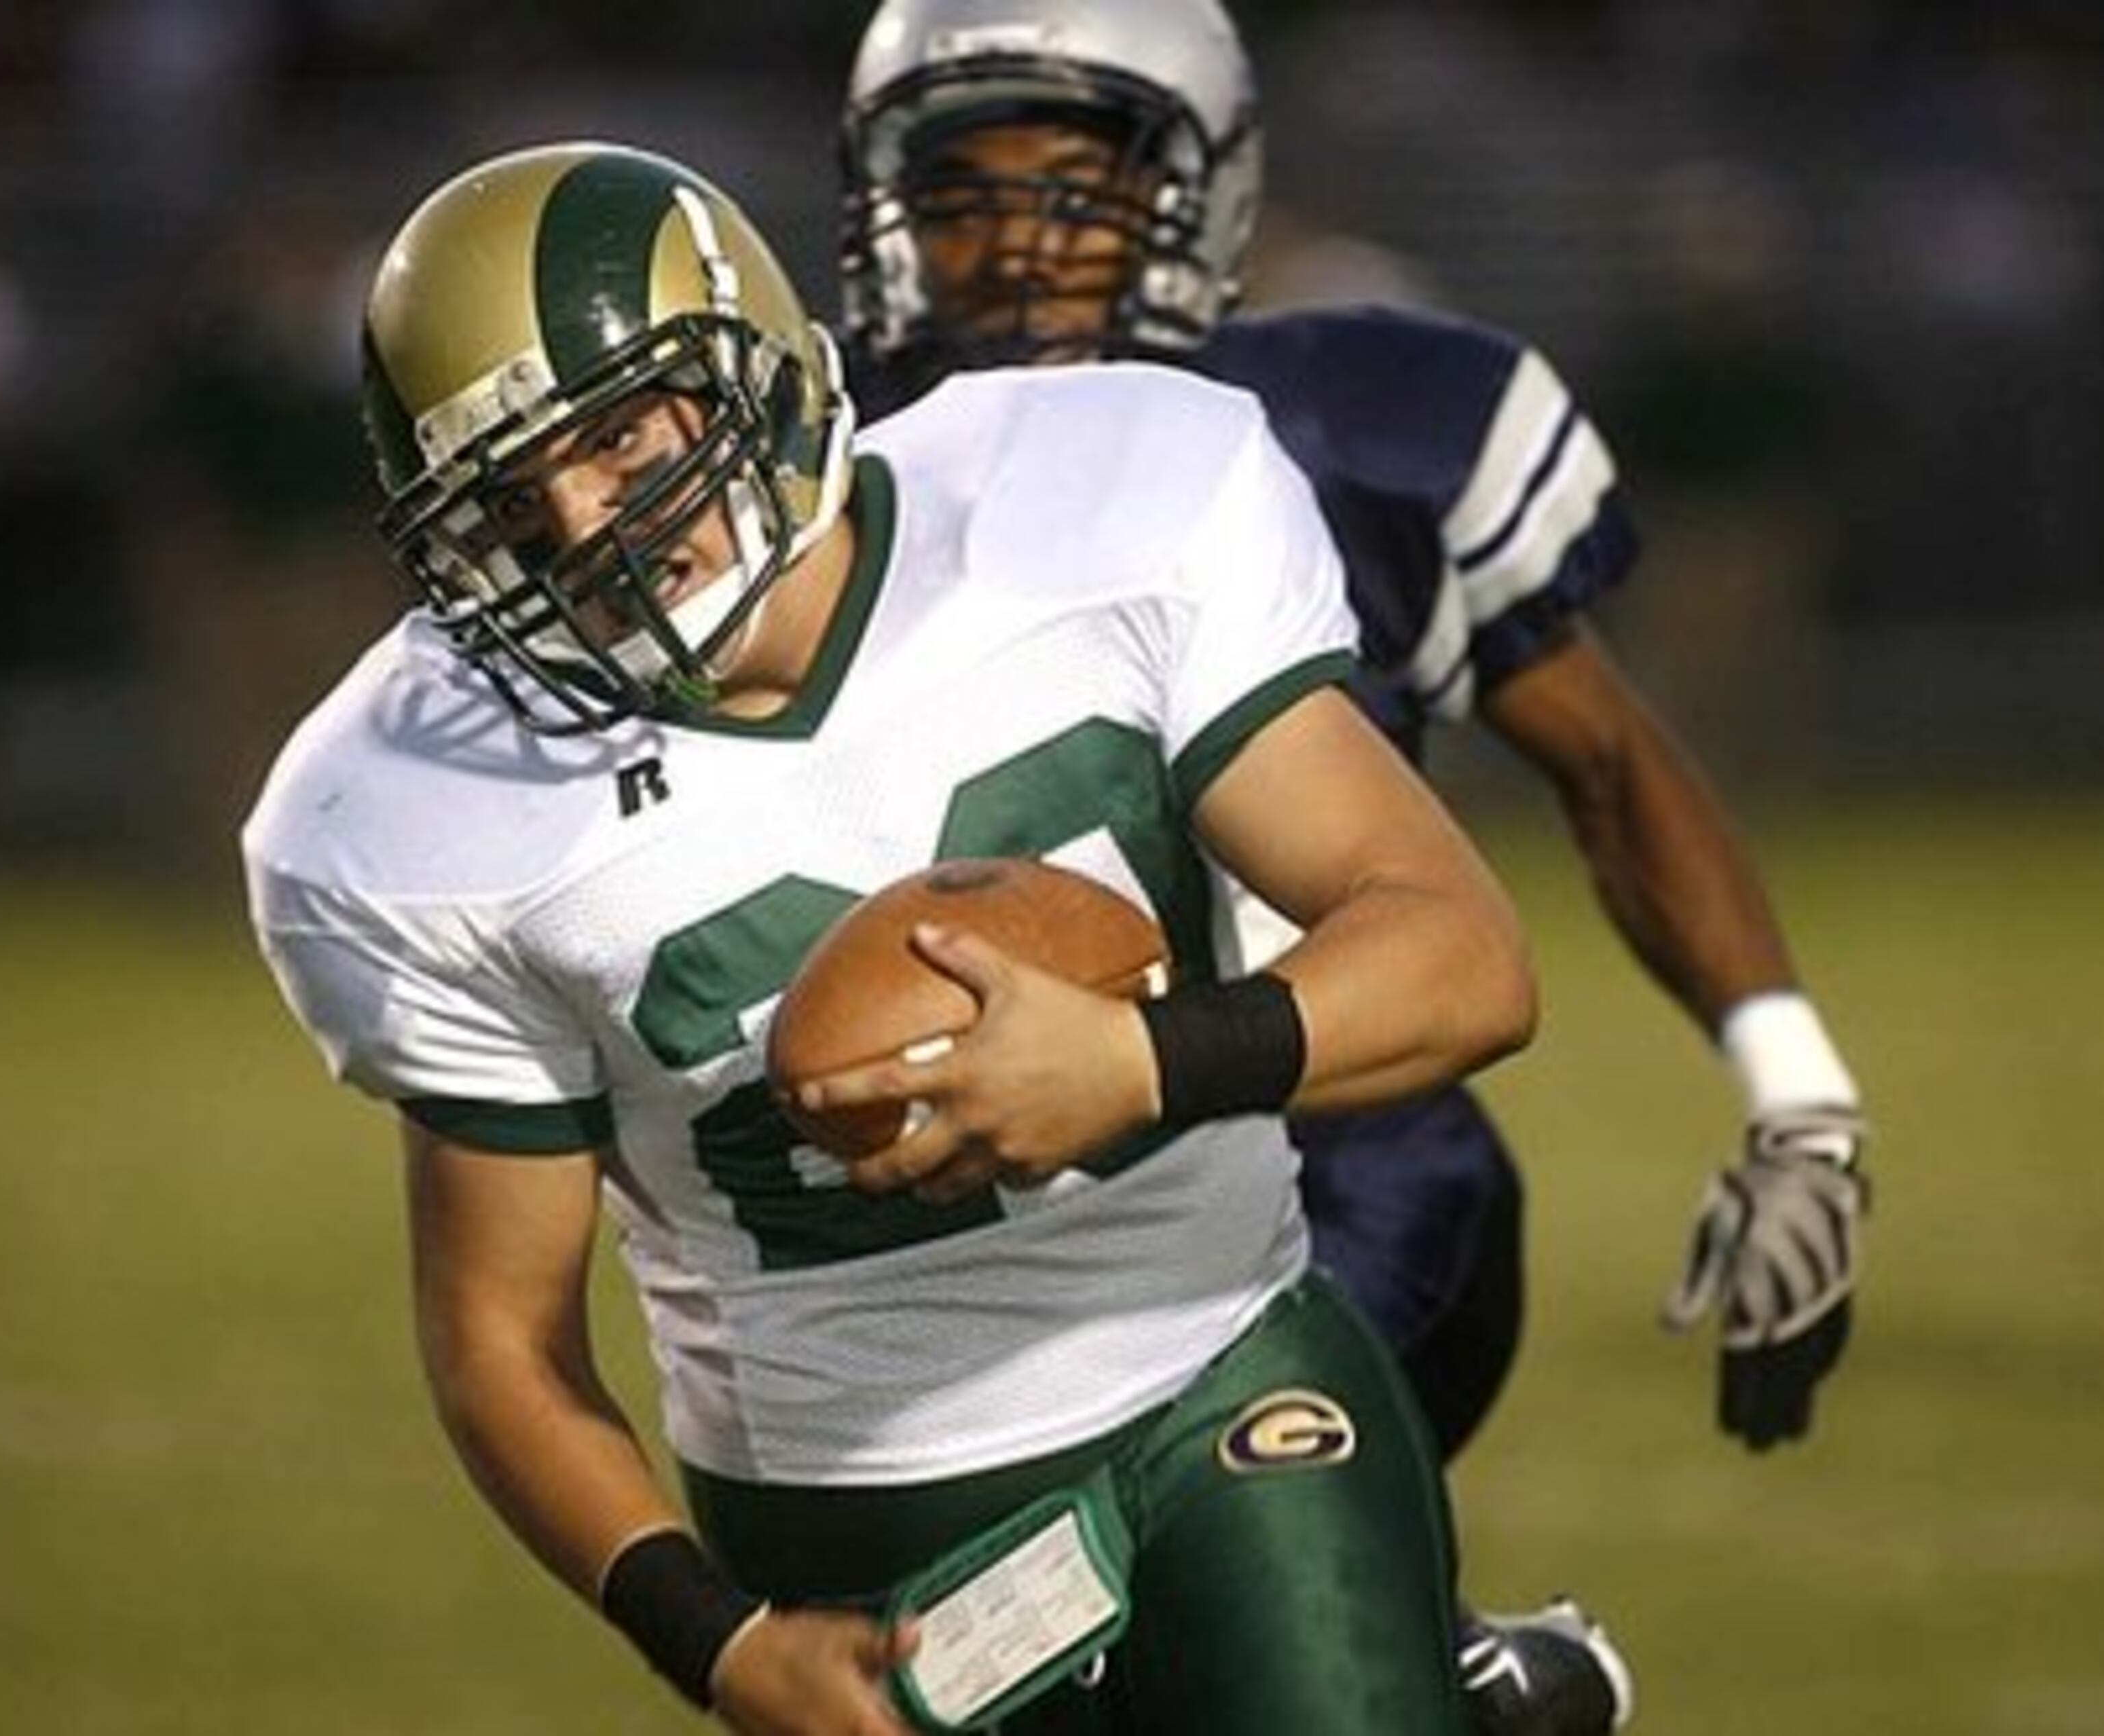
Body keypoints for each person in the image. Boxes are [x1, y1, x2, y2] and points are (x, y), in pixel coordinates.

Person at [244, 140, 1539, 1734]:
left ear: (760, 371)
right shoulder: (408, 810)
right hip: (854, 1517)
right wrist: (713, 1641)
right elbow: (501, 1344)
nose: (586, 523)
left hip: (1224, 1371)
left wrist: (1139, 1062)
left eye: (623, 436)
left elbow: (1463, 954)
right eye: (516, 494)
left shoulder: (1096, 504)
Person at [838, 2, 1873, 1729]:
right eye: (964, 192)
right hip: (988, 1220)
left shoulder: (1357, 436)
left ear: (1201, 194)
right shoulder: (815, 481)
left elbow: (1610, 768)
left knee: (1038, 1648)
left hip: (1340, 1180)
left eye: (1078, 191)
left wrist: (1803, 1105)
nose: (1019, 242)